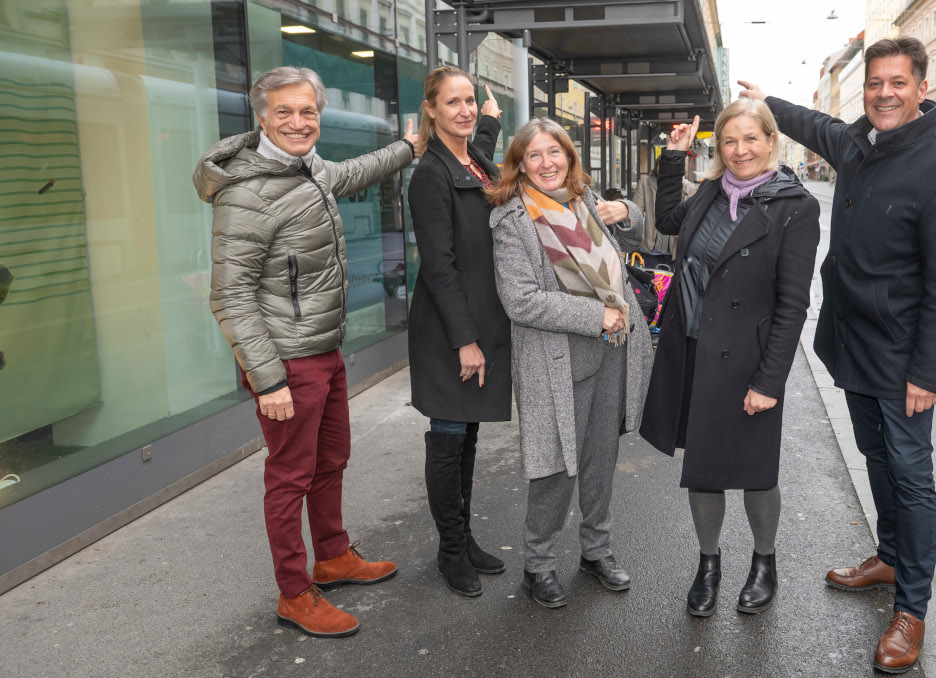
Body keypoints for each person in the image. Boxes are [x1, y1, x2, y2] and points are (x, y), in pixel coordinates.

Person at [740, 35, 936, 674]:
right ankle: (888, 555)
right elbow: (815, 125)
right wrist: (769, 102)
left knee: (911, 473)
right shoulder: (858, 143)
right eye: (876, 83)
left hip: (905, 360)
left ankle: (912, 608)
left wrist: (929, 371)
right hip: (854, 344)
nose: (884, 93)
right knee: (876, 456)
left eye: (897, 83)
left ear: (921, 88)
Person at [194, 66, 415, 638]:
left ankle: (334, 555)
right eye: (285, 112)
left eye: (308, 111)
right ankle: (294, 592)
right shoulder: (245, 192)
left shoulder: (307, 168)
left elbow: (349, 172)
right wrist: (267, 382)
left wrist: (409, 146)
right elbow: (231, 295)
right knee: (289, 476)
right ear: (262, 118)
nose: (299, 122)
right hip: (286, 361)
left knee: (331, 460)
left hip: (324, 347)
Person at [639, 101, 820, 618]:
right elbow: (668, 216)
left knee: (757, 470)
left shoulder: (796, 206)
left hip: (749, 361)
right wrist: (673, 157)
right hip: (694, 351)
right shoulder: (710, 195)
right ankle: (708, 563)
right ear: (717, 150)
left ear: (770, 141)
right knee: (704, 468)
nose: (740, 151)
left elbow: (792, 305)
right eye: (729, 142)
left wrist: (770, 381)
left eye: (750, 139)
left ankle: (765, 563)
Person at [487, 118, 654, 608]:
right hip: (555, 361)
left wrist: (625, 207)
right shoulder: (513, 221)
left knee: (602, 458)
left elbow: (639, 232)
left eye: (554, 152)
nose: (546, 163)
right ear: (519, 164)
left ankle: (596, 550)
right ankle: (538, 563)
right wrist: (596, 315)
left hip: (612, 351)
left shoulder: (583, 201)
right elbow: (520, 301)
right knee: (555, 469)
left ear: (569, 157)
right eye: (534, 155)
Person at [406, 66, 511, 598]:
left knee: (468, 433)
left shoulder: (472, 159)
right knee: (449, 439)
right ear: (432, 110)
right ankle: (450, 551)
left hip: (476, 321)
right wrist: (465, 341)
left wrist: (488, 123)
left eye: (470, 101)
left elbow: (480, 158)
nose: (465, 110)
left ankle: (464, 538)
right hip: (451, 329)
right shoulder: (430, 174)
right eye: (453, 103)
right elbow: (439, 266)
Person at [631, 162, 697, 268]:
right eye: (662, 165)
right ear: (656, 167)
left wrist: (685, 229)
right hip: (651, 249)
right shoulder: (644, 183)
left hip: (675, 251)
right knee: (653, 282)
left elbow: (694, 216)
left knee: (672, 284)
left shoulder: (688, 188)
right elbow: (635, 212)